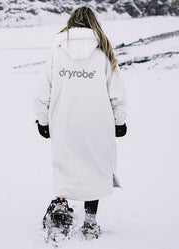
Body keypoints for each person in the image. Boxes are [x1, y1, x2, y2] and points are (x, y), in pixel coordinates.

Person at [34, 5, 127, 239]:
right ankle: (90, 222)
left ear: (72, 22)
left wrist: (42, 121)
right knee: (94, 169)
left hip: (63, 122)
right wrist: (119, 122)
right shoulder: (104, 51)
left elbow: (41, 91)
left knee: (65, 165)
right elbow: (117, 92)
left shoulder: (58, 50)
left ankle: (60, 209)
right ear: (93, 23)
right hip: (98, 124)